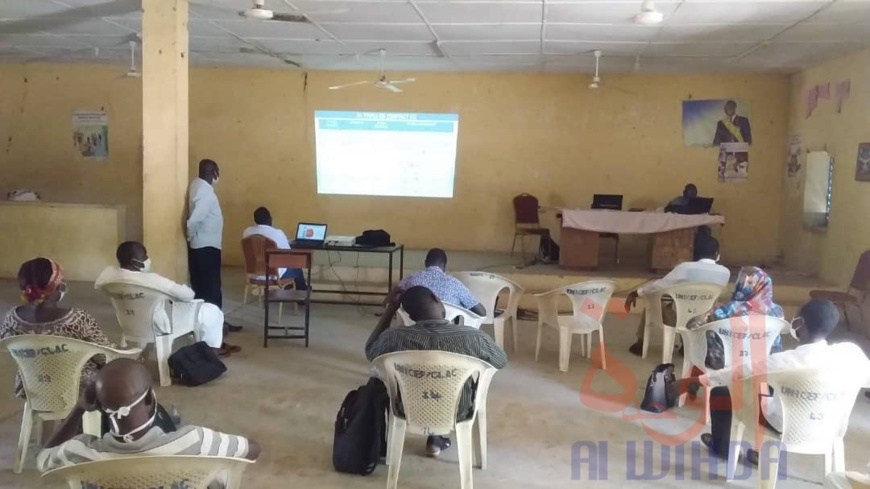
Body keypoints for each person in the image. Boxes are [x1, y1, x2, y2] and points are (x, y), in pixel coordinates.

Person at [695, 300, 870, 463]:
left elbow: (738, 373)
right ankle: (760, 452)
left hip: (786, 426)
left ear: (799, 324)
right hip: (828, 426)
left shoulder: (783, 361)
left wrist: (698, 380)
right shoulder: (851, 355)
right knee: (769, 389)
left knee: (722, 392)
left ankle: (722, 448)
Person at [37, 358, 261, 486]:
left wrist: (78, 409)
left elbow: (44, 458)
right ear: (149, 398)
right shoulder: (194, 442)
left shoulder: (80, 452)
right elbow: (252, 450)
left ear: (98, 404)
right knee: (218, 472)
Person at [366, 286, 507, 456]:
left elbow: (370, 351)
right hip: (459, 410)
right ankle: (437, 438)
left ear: (409, 315)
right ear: (436, 298)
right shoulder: (474, 338)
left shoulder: (394, 337)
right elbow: (500, 361)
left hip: (407, 409)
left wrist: (391, 309)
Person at [95, 241, 239, 357]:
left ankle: (205, 347)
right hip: (159, 324)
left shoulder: (108, 276)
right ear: (135, 262)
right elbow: (188, 295)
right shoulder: (152, 281)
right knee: (212, 311)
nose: (147, 259)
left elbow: (99, 285)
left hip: (130, 322)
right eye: (144, 256)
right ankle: (211, 350)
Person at [0, 258, 112, 398]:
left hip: (31, 388)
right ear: (55, 288)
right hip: (75, 388)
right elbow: (105, 357)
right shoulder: (77, 319)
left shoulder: (11, 318)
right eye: (61, 283)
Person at [624, 237, 730, 357]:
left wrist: (637, 293)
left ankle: (641, 343)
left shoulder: (686, 268)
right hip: (705, 318)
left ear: (695, 252)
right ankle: (686, 345)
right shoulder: (725, 272)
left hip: (679, 316)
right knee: (694, 304)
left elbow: (659, 286)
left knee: (654, 302)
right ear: (717, 253)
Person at [686, 266, 785, 369]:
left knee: (698, 328)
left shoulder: (726, 309)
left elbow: (693, 324)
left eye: (748, 283)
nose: (744, 285)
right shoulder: (777, 311)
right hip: (765, 362)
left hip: (725, 363)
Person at [187, 159, 238, 332]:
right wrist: (191, 236)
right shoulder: (206, 192)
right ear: (215, 173)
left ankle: (210, 323)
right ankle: (215, 326)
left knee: (202, 287)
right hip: (206, 247)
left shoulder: (196, 184)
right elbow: (194, 220)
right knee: (212, 289)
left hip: (203, 245)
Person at [397, 249, 486, 316]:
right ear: (444, 266)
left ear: (425, 263)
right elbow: (481, 312)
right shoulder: (455, 284)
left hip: (413, 329)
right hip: (450, 334)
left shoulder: (410, 278)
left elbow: (392, 300)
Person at [241, 207, 307, 291]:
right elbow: (288, 253)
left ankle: (287, 288)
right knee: (297, 269)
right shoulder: (277, 233)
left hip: (254, 275)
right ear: (270, 219)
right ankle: (302, 295)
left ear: (255, 220)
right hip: (274, 275)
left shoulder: (247, 232)